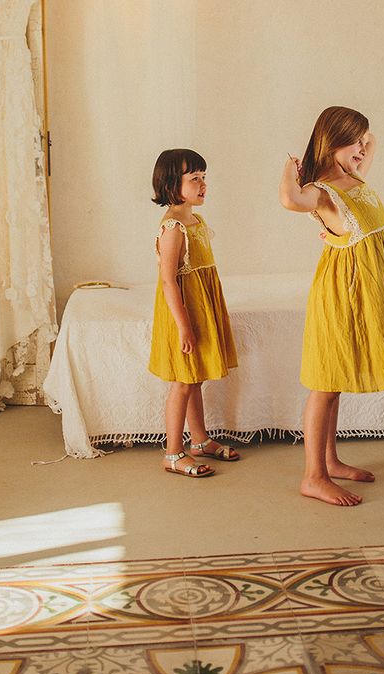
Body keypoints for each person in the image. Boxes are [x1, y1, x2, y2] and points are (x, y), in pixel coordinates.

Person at [279, 106, 384, 506]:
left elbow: (373, 143)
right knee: (325, 383)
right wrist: (292, 167)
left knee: (335, 382)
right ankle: (313, 476)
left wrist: (361, 141)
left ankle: (331, 461)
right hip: (343, 291)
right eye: (353, 140)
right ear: (332, 140)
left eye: (361, 140)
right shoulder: (324, 190)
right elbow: (290, 200)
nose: (362, 148)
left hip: (365, 288)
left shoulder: (353, 178)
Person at [148, 149, 240, 477]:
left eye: (204, 178)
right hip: (182, 313)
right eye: (195, 179)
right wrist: (184, 326)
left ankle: (199, 440)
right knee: (183, 383)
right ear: (173, 184)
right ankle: (172, 453)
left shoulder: (195, 220)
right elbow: (169, 281)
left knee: (195, 378)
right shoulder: (173, 227)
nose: (203, 185)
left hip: (200, 307)